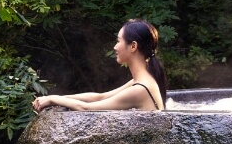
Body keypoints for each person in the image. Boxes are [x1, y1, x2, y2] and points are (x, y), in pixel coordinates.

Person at [33, 19, 167, 112]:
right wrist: (55, 98)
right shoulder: (142, 81)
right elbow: (100, 97)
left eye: (118, 41)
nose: (115, 47)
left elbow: (86, 108)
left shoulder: (141, 89)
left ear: (133, 46)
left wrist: (53, 99)